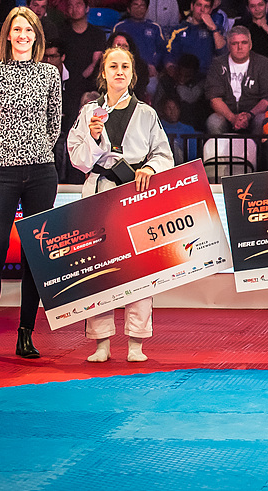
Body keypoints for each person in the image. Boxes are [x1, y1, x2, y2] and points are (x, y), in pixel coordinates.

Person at [67, 43, 174, 362]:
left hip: (135, 193)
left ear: (132, 74)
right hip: (99, 191)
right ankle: (101, 341)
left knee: (139, 268)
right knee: (98, 268)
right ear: (103, 73)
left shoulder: (147, 113)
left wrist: (150, 168)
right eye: (113, 66)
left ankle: (136, 341)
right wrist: (93, 137)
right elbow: (77, 158)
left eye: (125, 67)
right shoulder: (89, 112)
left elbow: (163, 154)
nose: (119, 72)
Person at [0, 7, 62, 361]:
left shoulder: (49, 74)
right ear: (8, 34)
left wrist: (36, 150)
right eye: (17, 29)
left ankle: (26, 334)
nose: (23, 35)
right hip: (1, 172)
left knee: (33, 257)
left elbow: (54, 124)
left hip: (41, 172)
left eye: (29, 30)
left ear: (37, 37)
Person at [204, 25, 268, 134]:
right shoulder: (218, 64)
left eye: (244, 43)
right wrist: (233, 118)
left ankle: (259, 146)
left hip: (254, 115)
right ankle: (220, 146)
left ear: (250, 45)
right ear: (228, 46)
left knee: (263, 119)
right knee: (214, 121)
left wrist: (249, 115)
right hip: (226, 116)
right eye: (235, 43)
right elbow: (214, 98)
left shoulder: (263, 63)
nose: (240, 47)